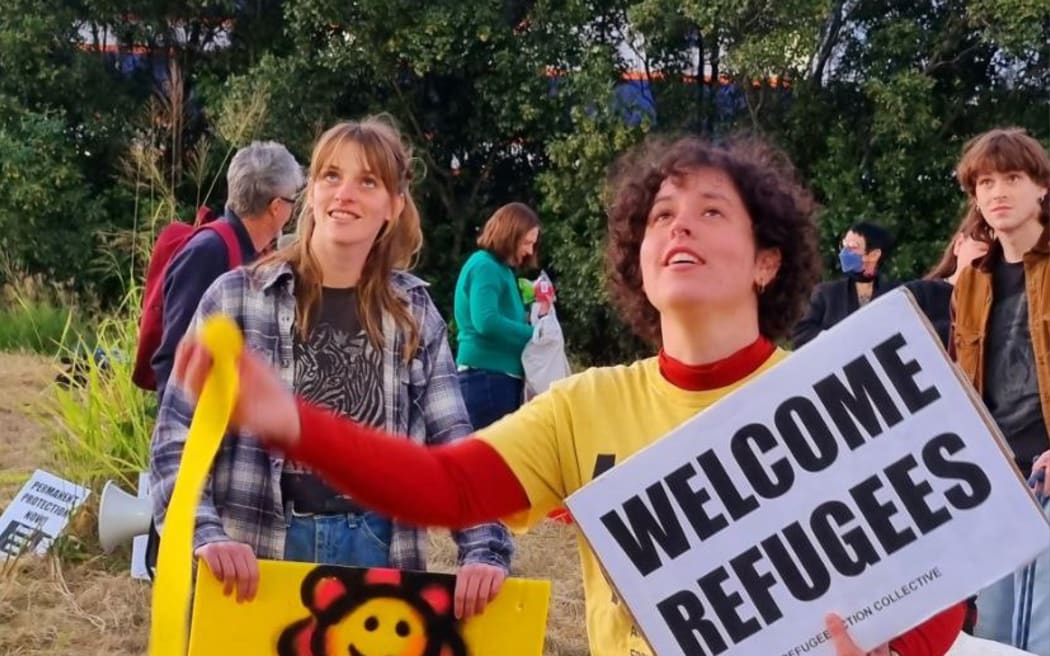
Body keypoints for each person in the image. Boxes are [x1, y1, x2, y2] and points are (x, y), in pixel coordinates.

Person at [171, 135, 966, 655]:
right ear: (637, 257)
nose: (678, 228)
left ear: (767, 261)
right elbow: (446, 484)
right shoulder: (586, 404)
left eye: (711, 212)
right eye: (660, 217)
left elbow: (936, 606)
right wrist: (291, 422)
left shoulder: (832, 396)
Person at [150, 117, 513, 619]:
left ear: (394, 206)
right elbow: (175, 437)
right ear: (310, 194)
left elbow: (454, 439)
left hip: (379, 550)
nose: (346, 193)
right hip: (255, 556)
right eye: (331, 176)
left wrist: (484, 548)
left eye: (368, 181)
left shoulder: (413, 313)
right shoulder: (237, 297)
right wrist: (205, 534)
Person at [949, 127, 1050, 655]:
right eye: (985, 182)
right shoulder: (972, 281)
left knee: (1042, 631)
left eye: (1012, 178)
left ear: (1041, 188)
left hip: (1047, 468)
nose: (997, 193)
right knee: (991, 632)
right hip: (995, 476)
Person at [152, 141, 304, 400]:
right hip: (203, 425)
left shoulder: (255, 254)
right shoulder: (208, 252)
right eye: (293, 200)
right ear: (277, 207)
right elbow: (176, 355)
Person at [454, 202, 541, 430]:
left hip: (495, 379)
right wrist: (536, 334)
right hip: (487, 379)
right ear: (510, 235)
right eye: (526, 242)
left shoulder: (499, 269)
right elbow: (486, 321)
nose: (530, 251)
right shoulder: (485, 266)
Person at [792, 221, 897, 348]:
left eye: (852, 248)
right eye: (843, 246)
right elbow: (801, 333)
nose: (844, 253)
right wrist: (833, 339)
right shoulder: (827, 293)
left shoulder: (894, 295)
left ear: (874, 255)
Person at [903, 218, 988, 347]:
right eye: (982, 248)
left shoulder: (1001, 313)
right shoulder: (916, 294)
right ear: (959, 244)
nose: (986, 259)